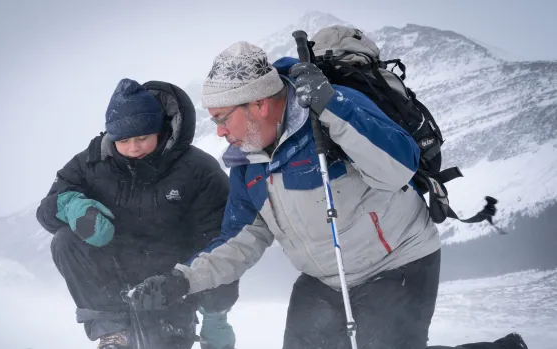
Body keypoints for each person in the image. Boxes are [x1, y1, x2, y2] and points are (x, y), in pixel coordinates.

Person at [130, 42, 530, 349]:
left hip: (398, 263)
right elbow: (239, 241)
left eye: (222, 118)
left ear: (259, 103)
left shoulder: (330, 111)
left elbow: (398, 169)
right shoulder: (246, 165)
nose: (218, 131)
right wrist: (181, 280)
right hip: (325, 279)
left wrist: (332, 106)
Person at [36, 78, 238, 349]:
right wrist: (70, 206)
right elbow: (47, 211)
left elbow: (219, 239)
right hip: (110, 284)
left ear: (160, 130)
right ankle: (112, 331)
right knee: (65, 239)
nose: (134, 148)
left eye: (142, 138)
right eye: (124, 140)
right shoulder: (90, 164)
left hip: (170, 287)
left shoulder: (198, 170)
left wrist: (216, 312)